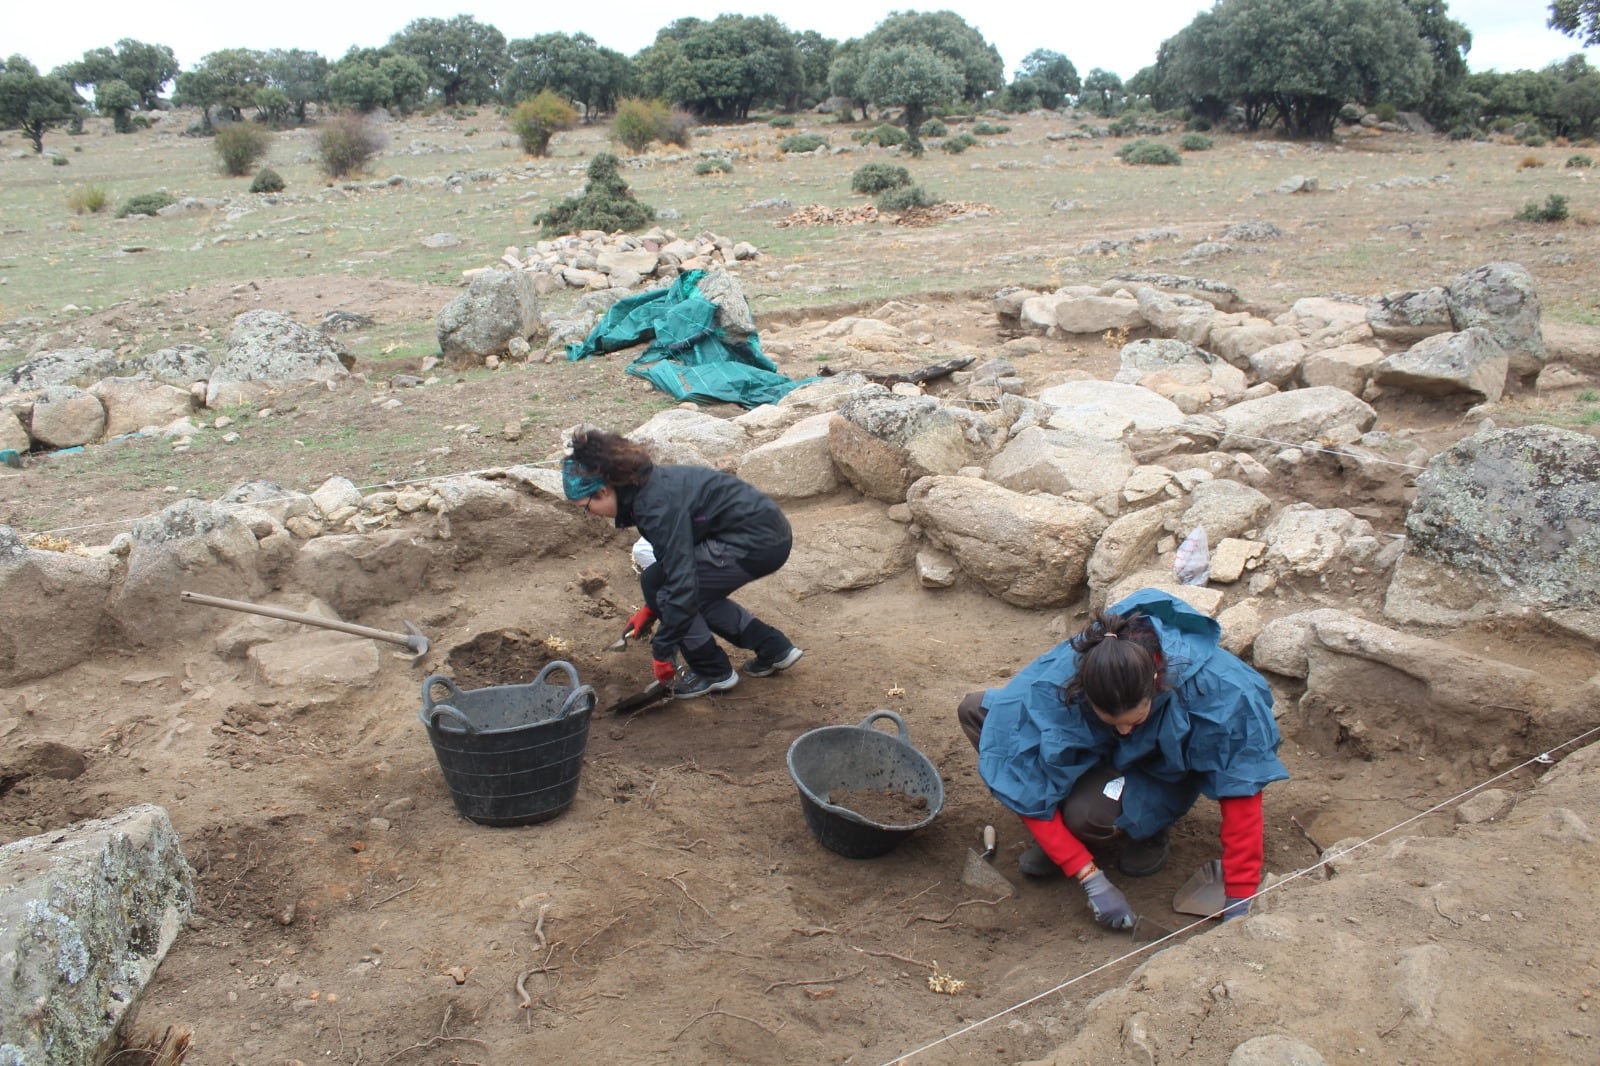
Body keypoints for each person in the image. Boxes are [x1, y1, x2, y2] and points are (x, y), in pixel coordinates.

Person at [957, 588, 1287, 931]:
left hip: (1161, 772)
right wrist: (1088, 875)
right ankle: (1066, 833)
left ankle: (1149, 829)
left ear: (1155, 685)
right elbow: (1016, 766)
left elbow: (1241, 794)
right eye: (1112, 721)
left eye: (1136, 719)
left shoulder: (1220, 690)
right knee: (979, 712)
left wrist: (1240, 898)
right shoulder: (1071, 674)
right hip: (1101, 753)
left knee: (1087, 816)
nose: (1127, 730)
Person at [563, 426, 803, 699]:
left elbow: (682, 583)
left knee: (675, 594)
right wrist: (650, 609)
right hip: (762, 533)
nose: (589, 515)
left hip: (754, 543)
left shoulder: (653, 506)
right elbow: (671, 563)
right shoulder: (647, 488)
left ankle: (713, 672)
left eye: (586, 507)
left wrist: (663, 650)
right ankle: (774, 647)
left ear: (604, 491)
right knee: (655, 580)